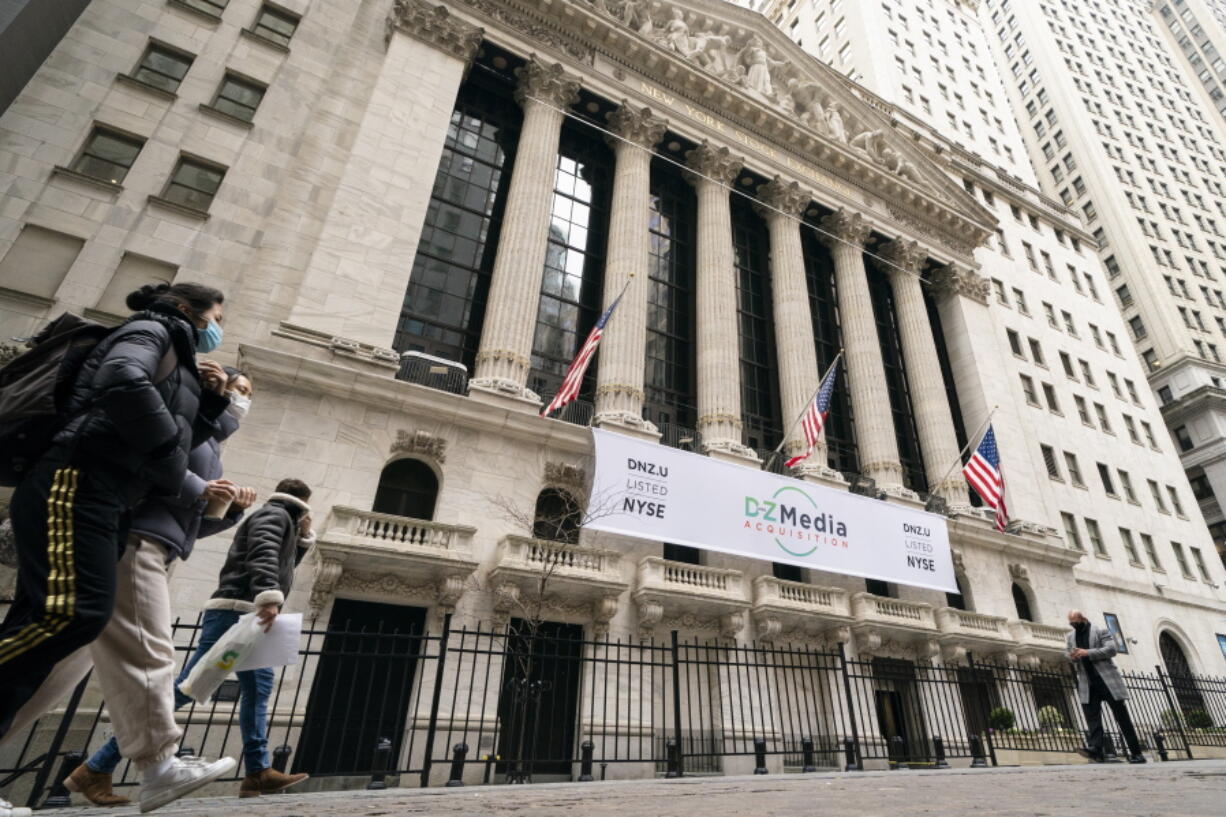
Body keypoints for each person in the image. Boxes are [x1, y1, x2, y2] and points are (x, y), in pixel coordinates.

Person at [0, 282, 243, 810]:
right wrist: (169, 456)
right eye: (215, 317)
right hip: (78, 477)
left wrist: (213, 402)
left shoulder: (178, 358)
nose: (217, 329)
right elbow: (121, 379)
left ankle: (158, 766)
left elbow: (176, 433)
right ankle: (158, 764)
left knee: (61, 621)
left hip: (109, 492)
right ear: (188, 311)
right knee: (67, 617)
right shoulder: (154, 329)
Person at [172, 478, 316, 798]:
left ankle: (257, 772)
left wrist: (303, 538)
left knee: (258, 689)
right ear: (303, 500)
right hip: (238, 613)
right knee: (191, 685)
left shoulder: (282, 519)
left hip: (253, 616)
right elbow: (263, 550)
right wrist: (267, 596)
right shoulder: (274, 515)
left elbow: (282, 564)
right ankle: (100, 764)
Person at [1067, 609, 1146, 763]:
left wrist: (1087, 652)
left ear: (1082, 619)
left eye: (1075, 622)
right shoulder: (1070, 636)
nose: (1072, 625)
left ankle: (1137, 753)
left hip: (1106, 680)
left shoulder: (1100, 630)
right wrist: (1072, 656)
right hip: (1087, 682)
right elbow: (1066, 653)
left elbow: (1111, 650)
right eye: (1070, 622)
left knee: (1121, 717)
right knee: (1092, 718)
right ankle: (1096, 750)